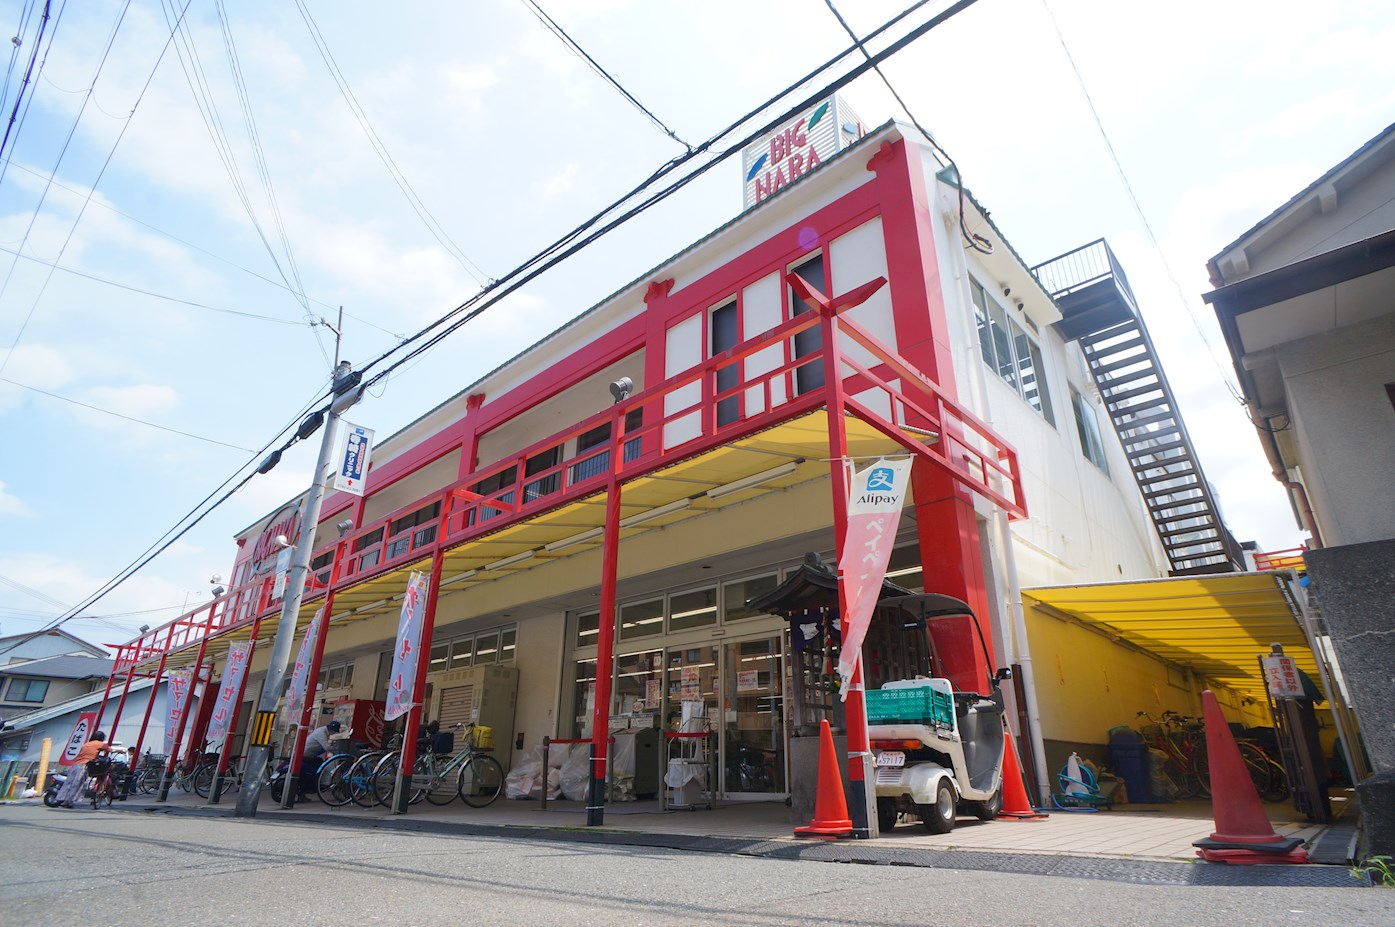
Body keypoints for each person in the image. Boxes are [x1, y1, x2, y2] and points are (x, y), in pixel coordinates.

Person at [53, 731, 109, 808]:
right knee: (77, 784)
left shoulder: (86, 744)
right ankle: (69, 802)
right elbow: (110, 749)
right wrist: (122, 751)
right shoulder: (99, 744)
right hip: (84, 765)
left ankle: (61, 799)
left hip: (75, 765)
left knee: (69, 783)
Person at [299, 720, 341, 798]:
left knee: (319, 762)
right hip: (306, 755)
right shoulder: (321, 733)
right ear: (332, 730)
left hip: (309, 754)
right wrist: (336, 749)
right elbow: (326, 747)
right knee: (320, 767)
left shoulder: (322, 731)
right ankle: (317, 784)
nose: (334, 733)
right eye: (334, 732)